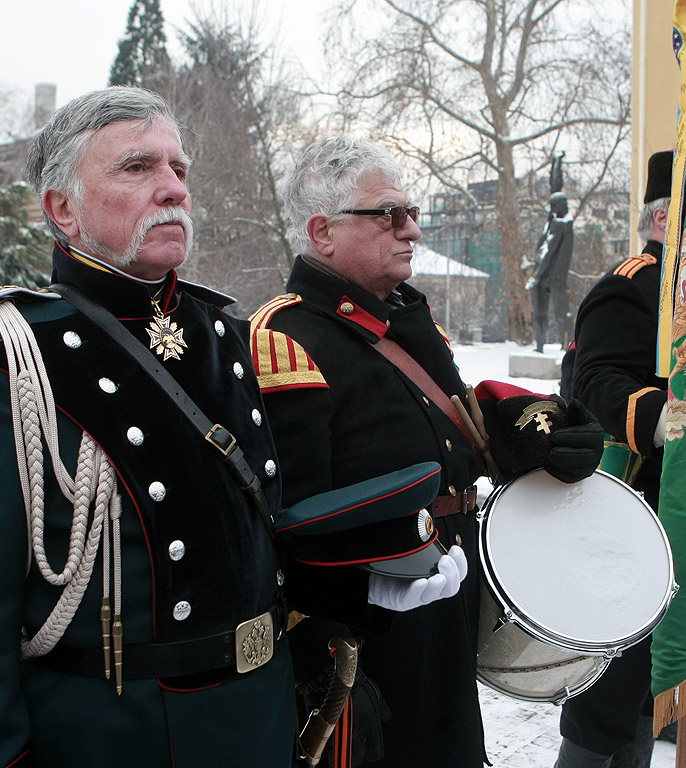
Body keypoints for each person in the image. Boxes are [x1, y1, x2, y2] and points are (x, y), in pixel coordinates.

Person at [0, 86, 300, 767]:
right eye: (137, 168)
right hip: (114, 734)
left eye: (180, 170)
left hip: (255, 719)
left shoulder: (220, 332)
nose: (172, 189)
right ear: (63, 208)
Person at [249, 135, 605, 767]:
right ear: (322, 232)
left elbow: (456, 439)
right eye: (388, 215)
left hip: (448, 599)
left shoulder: (411, 323)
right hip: (365, 634)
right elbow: (290, 524)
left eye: (410, 213)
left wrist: (538, 437)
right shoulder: (287, 336)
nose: (410, 229)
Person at [556, 150, 686, 767]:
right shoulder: (632, 285)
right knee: (612, 683)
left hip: (678, 504)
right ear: (666, 217)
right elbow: (594, 381)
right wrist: (675, 416)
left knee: (650, 677)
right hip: (631, 504)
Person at [526, 183, 575, 353]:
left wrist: (535, 276)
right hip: (547, 276)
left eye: (554, 205)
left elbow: (547, 251)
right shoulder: (555, 222)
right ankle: (542, 345)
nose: (551, 208)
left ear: (561, 206)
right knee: (544, 313)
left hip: (554, 277)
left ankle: (567, 345)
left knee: (561, 313)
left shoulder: (562, 224)